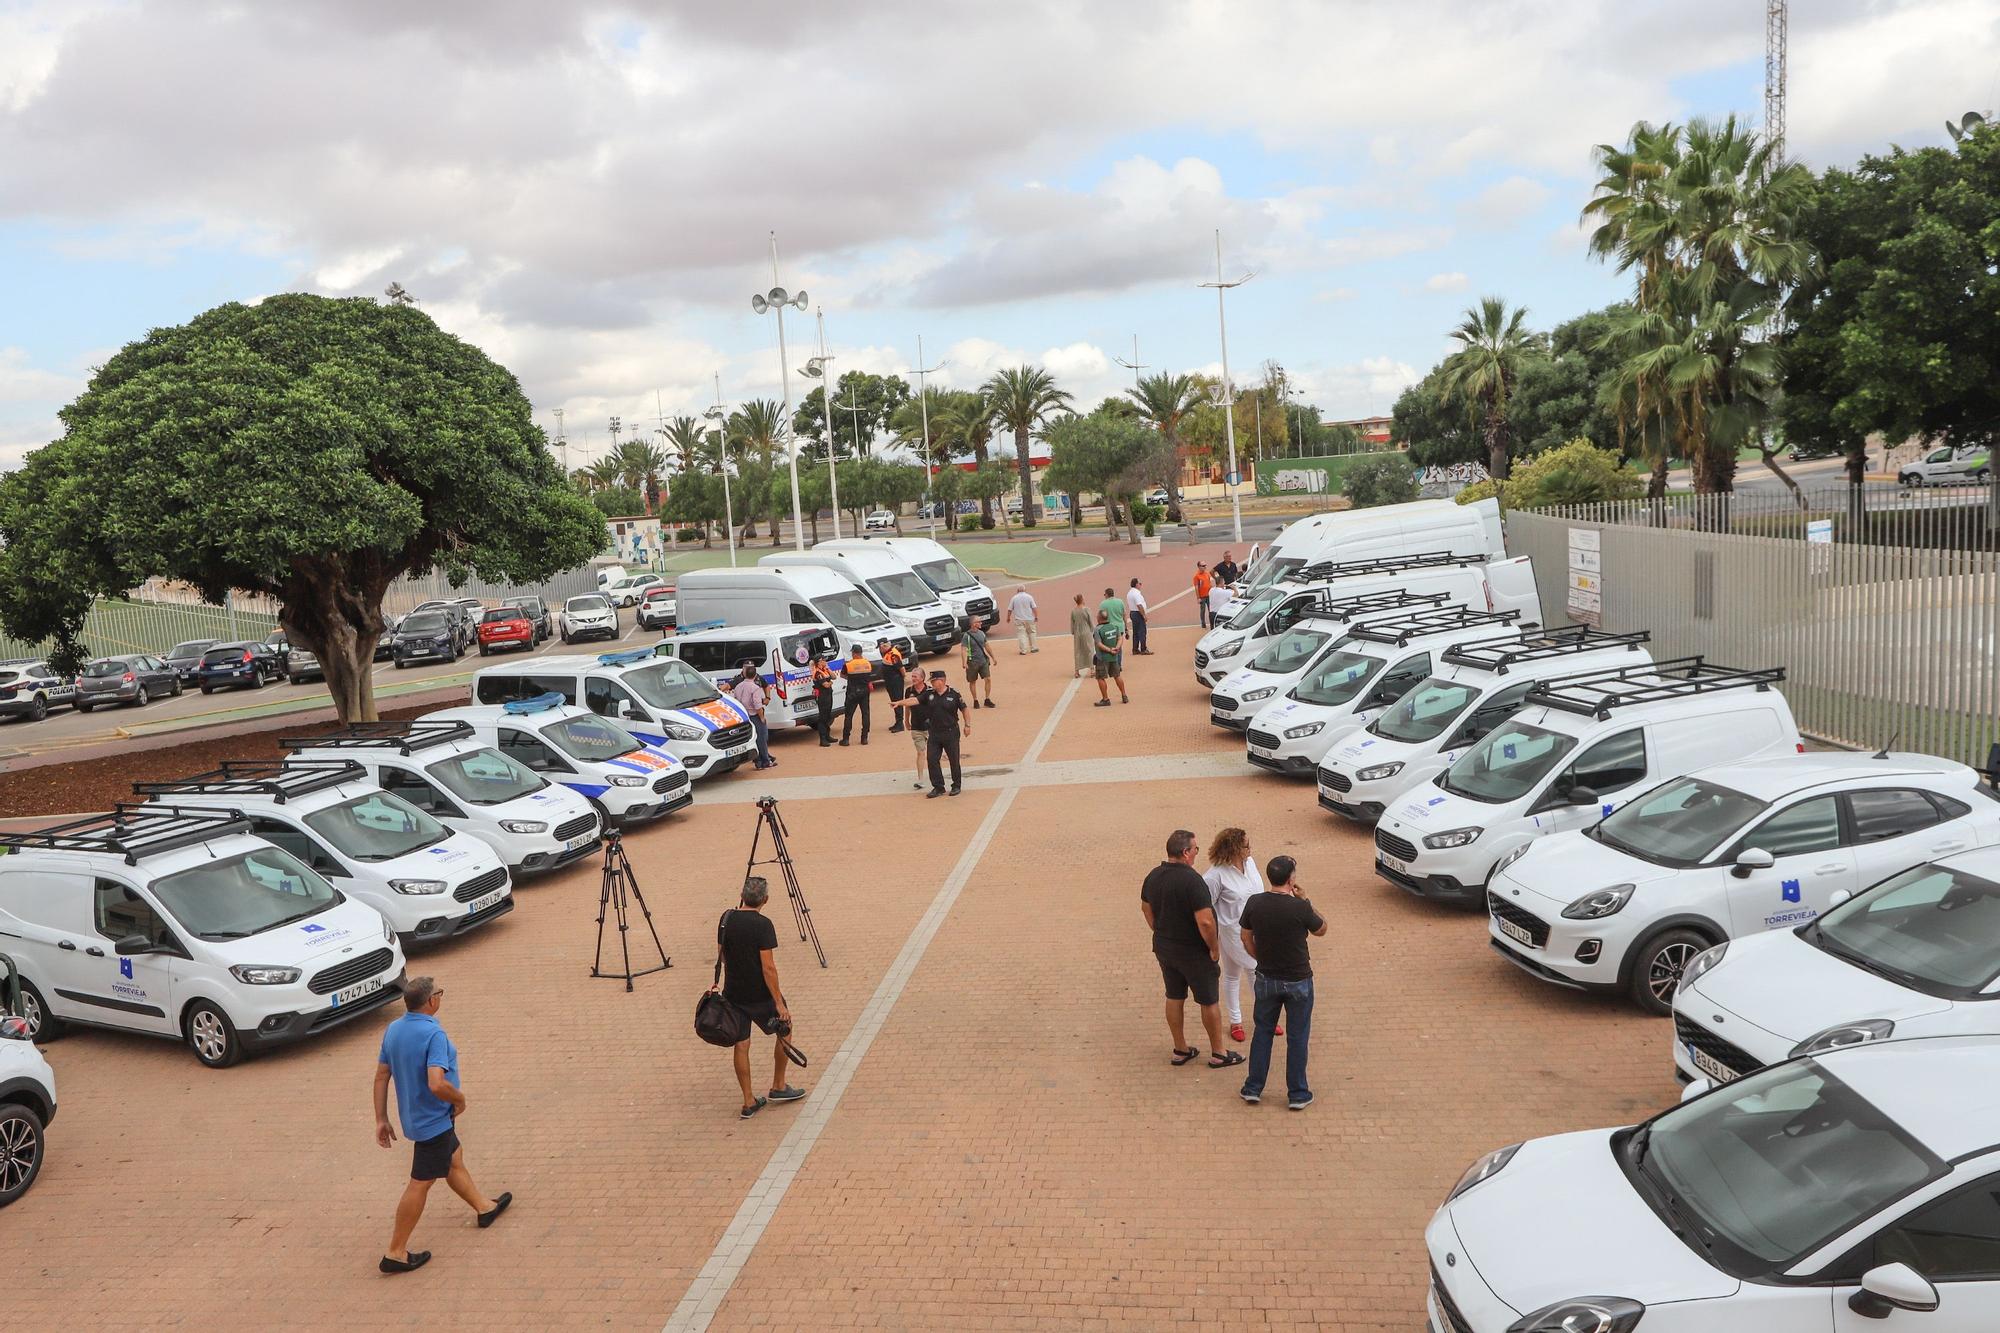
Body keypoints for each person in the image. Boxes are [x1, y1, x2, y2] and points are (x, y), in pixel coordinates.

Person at [372, 976, 511, 1274]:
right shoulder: (434, 1036)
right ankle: (395, 1251)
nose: (440, 997)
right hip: (432, 1121)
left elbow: (382, 1076)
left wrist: (381, 1119)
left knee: (453, 1159)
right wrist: (459, 1100)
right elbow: (436, 1083)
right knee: (421, 1182)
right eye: (439, 993)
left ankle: (484, 1207)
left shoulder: (394, 1030)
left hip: (416, 1118)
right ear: (431, 1001)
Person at [1140, 830, 1239, 1070]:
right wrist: (1214, 948)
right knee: (1208, 1000)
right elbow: (1205, 921)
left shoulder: (1153, 876)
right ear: (1185, 852)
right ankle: (1219, 1052)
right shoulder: (1193, 881)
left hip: (1165, 948)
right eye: (1195, 849)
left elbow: (1146, 909)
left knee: (1174, 995)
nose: (1197, 852)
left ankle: (1180, 1049)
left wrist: (1160, 930)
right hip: (1193, 953)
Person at [1238, 855, 1327, 1111]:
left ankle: (1253, 1087)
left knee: (1263, 1031)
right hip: (1298, 980)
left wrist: (1260, 957)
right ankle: (1298, 1093)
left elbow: (1245, 937)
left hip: (1266, 977)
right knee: (1297, 1037)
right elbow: (1322, 929)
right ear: (1291, 879)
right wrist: (1305, 900)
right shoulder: (1300, 908)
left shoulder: (1255, 903)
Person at [720, 877, 808, 1119]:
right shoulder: (763, 925)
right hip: (760, 994)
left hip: (733, 992)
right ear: (765, 900)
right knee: (785, 1028)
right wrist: (778, 1002)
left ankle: (748, 1101)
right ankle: (778, 1085)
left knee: (741, 1044)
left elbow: (722, 954)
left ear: (742, 894)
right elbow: (768, 968)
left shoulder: (726, 919)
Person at [1203, 828, 1268, 1043]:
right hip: (1232, 932)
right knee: (1254, 969)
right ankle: (1254, 1019)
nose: (1250, 848)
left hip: (1257, 927)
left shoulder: (1250, 863)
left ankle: (1242, 1020)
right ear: (1233, 849)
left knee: (1232, 974)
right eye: (1245, 845)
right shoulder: (1215, 875)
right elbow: (1206, 904)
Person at [917, 668, 972, 797]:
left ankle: (956, 785)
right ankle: (938, 787)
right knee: (932, 759)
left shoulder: (954, 694)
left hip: (950, 732)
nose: (931, 684)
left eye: (934, 681)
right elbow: (915, 701)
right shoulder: (929, 694)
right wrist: (900, 703)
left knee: (953, 759)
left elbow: (964, 709)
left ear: (941, 681)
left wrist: (967, 725)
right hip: (934, 733)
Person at [894, 660, 930, 789]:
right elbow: (908, 706)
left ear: (922, 678)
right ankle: (921, 779)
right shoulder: (909, 690)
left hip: (931, 727)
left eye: (915, 677)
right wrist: (906, 720)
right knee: (921, 752)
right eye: (912, 676)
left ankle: (935, 775)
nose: (913, 678)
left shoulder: (930, 691)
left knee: (933, 753)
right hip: (916, 726)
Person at [731, 662, 774, 770]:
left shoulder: (738, 686)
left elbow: (735, 701)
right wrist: (762, 717)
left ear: (744, 674)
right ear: (755, 676)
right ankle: (765, 761)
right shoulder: (755, 688)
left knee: (752, 739)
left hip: (744, 716)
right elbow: (757, 705)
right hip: (754, 715)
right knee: (762, 738)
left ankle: (758, 760)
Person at [1091, 611, 1128, 707]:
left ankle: (1105, 699)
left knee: (1100, 677)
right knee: (1117, 675)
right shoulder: (1114, 627)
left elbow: (1099, 644)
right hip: (1114, 657)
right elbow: (1120, 638)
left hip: (1103, 658)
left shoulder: (1098, 629)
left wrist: (1109, 650)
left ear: (1099, 618)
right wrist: (1117, 648)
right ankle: (1124, 695)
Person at [838, 644, 873, 746]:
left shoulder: (848, 665)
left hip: (852, 692)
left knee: (849, 716)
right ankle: (864, 738)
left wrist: (852, 678)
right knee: (865, 714)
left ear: (853, 653)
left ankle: (846, 739)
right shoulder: (867, 663)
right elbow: (869, 677)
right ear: (861, 652)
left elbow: (842, 675)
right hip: (865, 691)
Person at [961, 616, 994, 709]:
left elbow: (987, 646)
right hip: (972, 662)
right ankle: (975, 700)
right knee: (972, 681)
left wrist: (993, 657)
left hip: (983, 660)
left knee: (988, 679)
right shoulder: (966, 636)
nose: (981, 623)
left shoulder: (982, 634)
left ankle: (987, 699)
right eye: (979, 621)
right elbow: (964, 649)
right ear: (973, 624)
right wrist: (964, 662)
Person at [879, 639, 907, 732]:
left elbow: (901, 668)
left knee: (897, 701)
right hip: (890, 681)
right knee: (894, 701)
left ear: (884, 646)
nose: (879, 650)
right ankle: (897, 722)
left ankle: (900, 724)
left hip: (895, 681)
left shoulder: (893, 654)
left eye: (880, 647)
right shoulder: (888, 653)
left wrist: (902, 678)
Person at [809, 652, 836, 747]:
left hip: (828, 694)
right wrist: (830, 683)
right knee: (823, 717)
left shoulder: (825, 670)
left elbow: (834, 677)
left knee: (828, 716)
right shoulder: (818, 673)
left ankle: (828, 736)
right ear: (820, 661)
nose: (825, 661)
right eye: (824, 660)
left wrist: (828, 668)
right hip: (822, 696)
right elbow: (826, 684)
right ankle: (823, 739)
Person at [1006, 584, 1039, 655]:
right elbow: (1034, 608)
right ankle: (1034, 648)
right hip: (1029, 618)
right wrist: (1036, 616)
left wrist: (1008, 618)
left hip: (1019, 620)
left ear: (1017, 590)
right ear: (1025, 590)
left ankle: (1023, 650)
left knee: (1021, 634)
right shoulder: (1029, 597)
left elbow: (1009, 609)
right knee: (1032, 633)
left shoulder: (1014, 598)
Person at [1068, 593, 1094, 678]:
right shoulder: (1086, 609)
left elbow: (1072, 623)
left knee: (1078, 651)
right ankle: (1092, 669)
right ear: (1082, 600)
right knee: (1090, 649)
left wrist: (1073, 631)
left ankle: (1077, 671)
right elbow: (1090, 621)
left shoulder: (1073, 611)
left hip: (1077, 632)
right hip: (1086, 631)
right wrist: (1092, 629)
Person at [1125, 578, 1151, 655]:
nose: (1141, 585)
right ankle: (1143, 649)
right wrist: (1144, 615)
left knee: (1135, 632)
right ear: (1136, 584)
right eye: (1140, 583)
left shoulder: (1130, 593)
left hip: (1133, 612)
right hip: (1138, 613)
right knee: (1142, 631)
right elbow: (1139, 605)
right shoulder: (1136, 593)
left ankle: (1135, 649)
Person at [1193, 562, 1214, 629]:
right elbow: (1196, 587)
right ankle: (1203, 623)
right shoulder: (1197, 576)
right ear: (1199, 567)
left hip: (1209, 595)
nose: (1205, 567)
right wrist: (1198, 598)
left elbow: (1209, 583)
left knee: (1210, 610)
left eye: (1205, 565)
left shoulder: (1207, 573)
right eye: (1203, 566)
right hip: (1202, 596)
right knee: (1203, 610)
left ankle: (1212, 624)